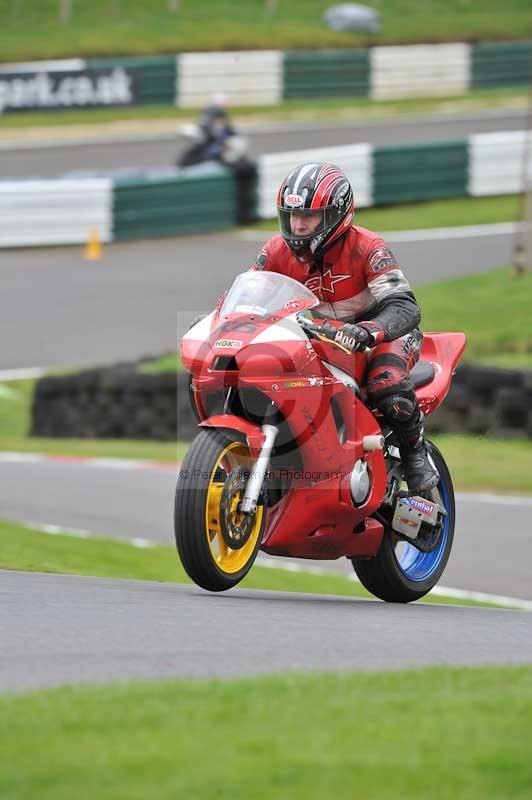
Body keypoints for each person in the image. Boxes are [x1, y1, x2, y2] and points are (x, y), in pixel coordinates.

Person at [251, 162, 439, 494]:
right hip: (317, 339)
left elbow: (405, 306)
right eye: (291, 217)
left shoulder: (369, 248)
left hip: (380, 335)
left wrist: (368, 331)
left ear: (336, 214)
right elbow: (251, 296)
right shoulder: (275, 251)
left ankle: (415, 453)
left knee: (387, 382)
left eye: (309, 217)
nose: (298, 226)